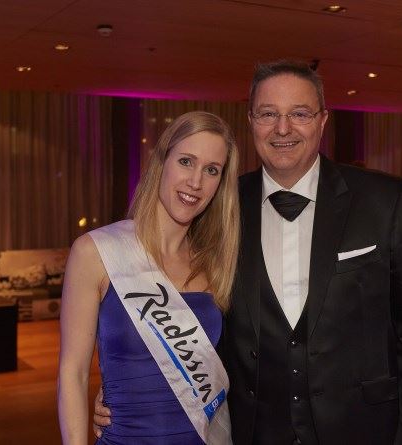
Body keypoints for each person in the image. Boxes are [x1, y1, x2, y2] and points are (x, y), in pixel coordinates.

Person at [96, 60, 402, 444]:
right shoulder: (218, 206)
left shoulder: (384, 200)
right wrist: (127, 391)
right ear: (251, 121)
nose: (282, 128)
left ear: (323, 121)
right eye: (268, 114)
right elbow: (187, 319)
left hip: (363, 430)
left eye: (299, 114)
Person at [58, 111, 240, 444]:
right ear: (161, 161)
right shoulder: (96, 252)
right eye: (186, 161)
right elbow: (73, 373)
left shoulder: (216, 267)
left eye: (211, 170)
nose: (196, 182)